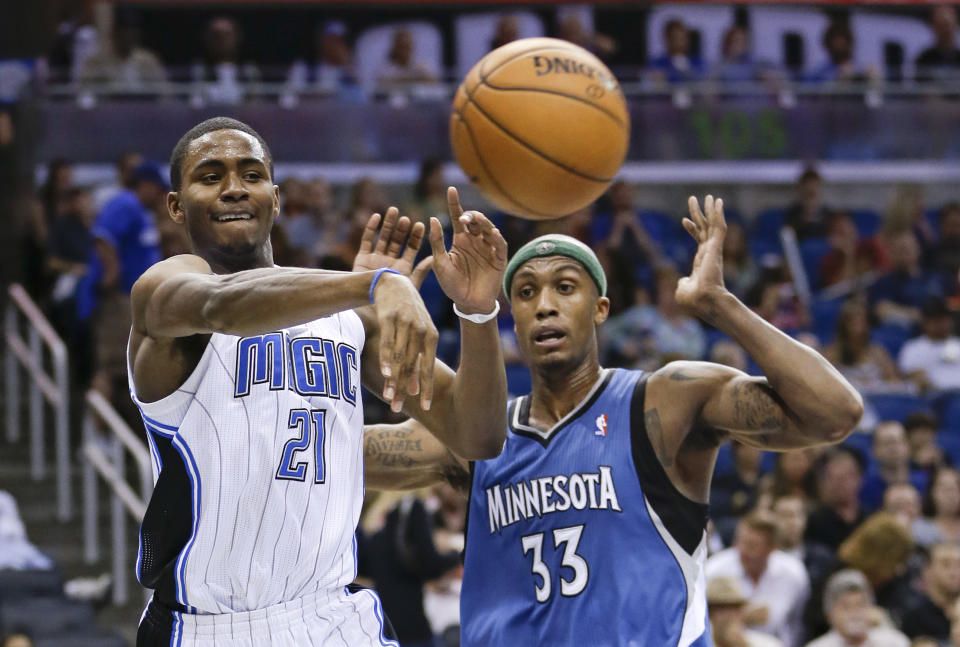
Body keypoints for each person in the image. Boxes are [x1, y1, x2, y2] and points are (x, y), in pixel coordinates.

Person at [362, 195, 863, 646]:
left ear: (601, 309)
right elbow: (335, 450)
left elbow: (834, 413)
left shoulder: (662, 403)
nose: (545, 307)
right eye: (527, 293)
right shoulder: (477, 438)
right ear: (510, 315)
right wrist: (361, 305)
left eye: (564, 287)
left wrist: (720, 305)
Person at [129, 117, 508, 645]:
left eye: (251, 174)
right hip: (208, 627)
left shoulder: (345, 317)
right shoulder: (165, 287)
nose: (234, 187)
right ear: (176, 206)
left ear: (276, 198)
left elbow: (476, 435)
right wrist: (375, 283)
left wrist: (477, 313)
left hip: (334, 618)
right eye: (210, 175)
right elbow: (222, 304)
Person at [706, 514, 810, 647]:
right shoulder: (713, 569)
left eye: (752, 545)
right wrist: (741, 616)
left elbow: (797, 622)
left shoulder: (793, 573)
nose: (743, 551)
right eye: (741, 541)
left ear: (772, 548)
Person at [804, 570, 909, 647]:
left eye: (861, 605)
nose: (855, 613)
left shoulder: (894, 642)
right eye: (846, 607)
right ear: (830, 615)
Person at [898, 297, 960, 393]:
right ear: (925, 322)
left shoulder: (957, 344)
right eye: (936, 321)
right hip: (934, 397)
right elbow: (916, 378)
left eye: (944, 319)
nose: (941, 325)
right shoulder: (913, 348)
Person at [901, 543, 960, 641]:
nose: (955, 572)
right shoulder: (914, 616)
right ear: (927, 570)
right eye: (946, 564)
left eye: (959, 565)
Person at [707, 576, 785, 647]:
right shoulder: (700, 643)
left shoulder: (769, 644)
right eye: (722, 608)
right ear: (710, 613)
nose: (729, 615)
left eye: (735, 608)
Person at [916, 5, 960, 82]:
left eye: (948, 25)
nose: (946, 30)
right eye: (941, 25)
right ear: (933, 27)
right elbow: (919, 87)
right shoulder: (924, 58)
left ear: (956, 25)